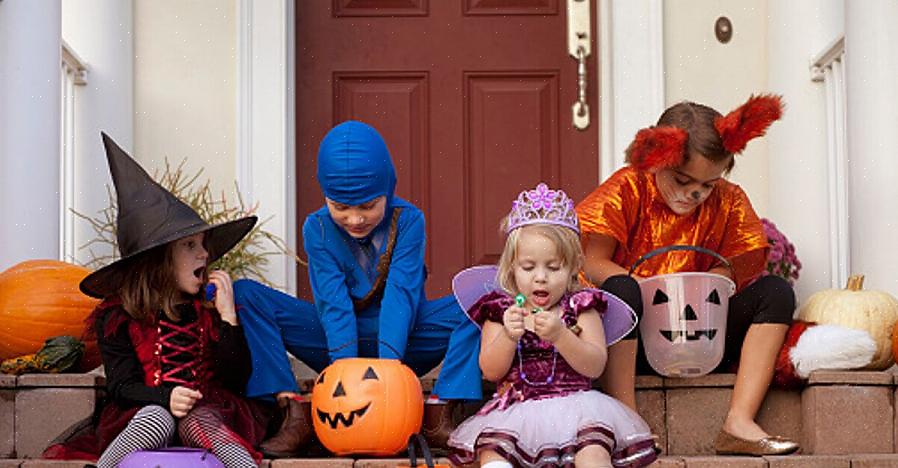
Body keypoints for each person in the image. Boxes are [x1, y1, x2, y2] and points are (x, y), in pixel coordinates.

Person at [233, 120, 483, 456]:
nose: (354, 219)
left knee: (479, 298)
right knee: (247, 294)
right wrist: (347, 378)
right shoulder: (317, 228)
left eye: (367, 206)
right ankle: (292, 412)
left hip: (407, 341)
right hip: (334, 344)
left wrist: (388, 375)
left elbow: (401, 294)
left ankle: (439, 412)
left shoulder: (408, 220)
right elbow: (332, 303)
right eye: (340, 207)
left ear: (387, 189)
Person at [576, 95, 800, 456]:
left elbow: (733, 268)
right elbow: (592, 262)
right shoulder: (628, 188)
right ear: (656, 161)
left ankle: (739, 422)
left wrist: (707, 284)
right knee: (622, 289)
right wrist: (649, 290)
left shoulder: (728, 200)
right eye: (682, 180)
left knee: (776, 292)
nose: (694, 193)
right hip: (636, 341)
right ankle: (627, 419)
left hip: (701, 337)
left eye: (708, 185)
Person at [43, 133, 272, 467]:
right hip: (144, 411)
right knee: (157, 416)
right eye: (190, 245)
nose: (204, 254)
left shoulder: (208, 310)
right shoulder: (117, 316)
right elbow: (121, 385)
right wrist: (165, 397)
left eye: (203, 244)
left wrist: (228, 319)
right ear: (157, 261)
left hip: (205, 412)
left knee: (199, 418)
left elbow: (236, 379)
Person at [447, 183, 658, 468]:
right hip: (517, 413)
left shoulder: (580, 308)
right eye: (528, 267)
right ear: (511, 268)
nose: (541, 277)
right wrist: (508, 335)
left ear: (573, 268)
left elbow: (595, 365)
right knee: (493, 454)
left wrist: (561, 336)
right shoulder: (502, 312)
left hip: (579, 410)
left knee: (594, 452)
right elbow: (491, 370)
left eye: (553, 267)